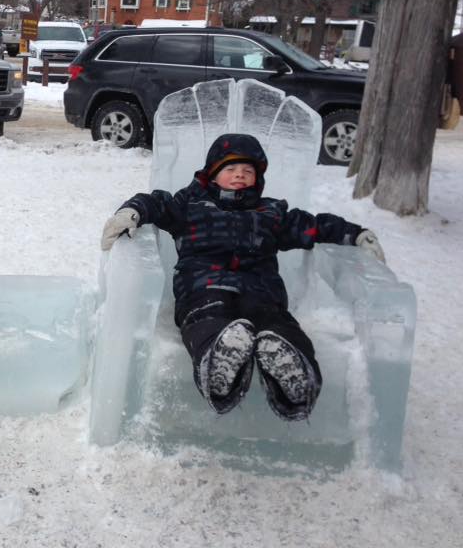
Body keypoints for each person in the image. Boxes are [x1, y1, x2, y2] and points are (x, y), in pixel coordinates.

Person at [100, 133, 385, 421]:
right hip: (202, 289)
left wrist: (355, 234)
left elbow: (313, 227)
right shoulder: (189, 206)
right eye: (230, 170)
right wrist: (132, 211)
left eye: (247, 171)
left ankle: (294, 375)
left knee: (278, 325)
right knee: (206, 320)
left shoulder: (272, 213)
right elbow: (157, 204)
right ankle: (219, 365)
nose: (239, 176)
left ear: (257, 179)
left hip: (261, 293)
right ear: (212, 174)